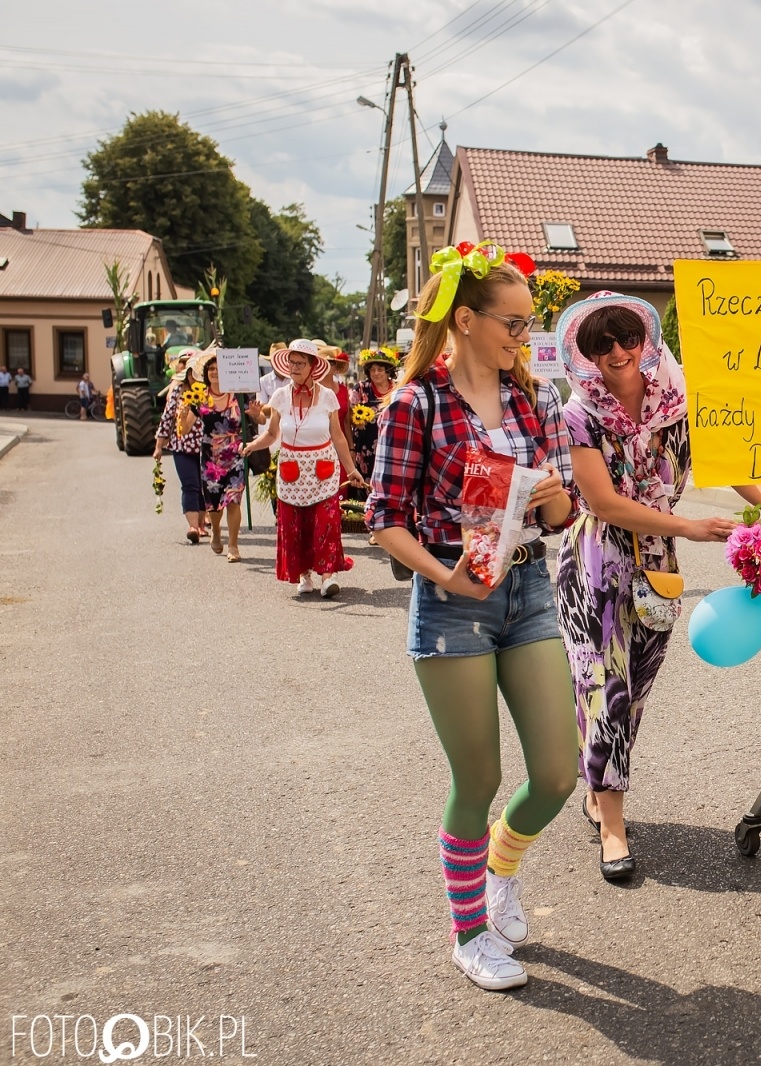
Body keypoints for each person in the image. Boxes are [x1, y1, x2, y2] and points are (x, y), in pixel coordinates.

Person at [366, 242, 578, 991]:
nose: (525, 336)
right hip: (453, 604)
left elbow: (561, 516)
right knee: (478, 776)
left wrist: (553, 490)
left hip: (527, 591)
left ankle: (500, 869)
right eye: (513, 323)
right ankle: (469, 934)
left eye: (528, 323)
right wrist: (441, 573)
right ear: (465, 318)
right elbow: (383, 517)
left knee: (557, 772)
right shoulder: (415, 401)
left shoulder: (536, 401)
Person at [555, 292, 761, 882]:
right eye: (601, 343)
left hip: (658, 563)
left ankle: (597, 783)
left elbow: (723, 459)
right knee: (605, 686)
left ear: (645, 341)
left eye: (627, 338)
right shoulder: (578, 414)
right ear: (584, 354)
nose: (617, 352)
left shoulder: (675, 404)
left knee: (635, 694)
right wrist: (691, 526)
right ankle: (612, 826)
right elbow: (603, 502)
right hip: (596, 558)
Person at [242, 339, 363, 596]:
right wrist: (253, 444)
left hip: (322, 467)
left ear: (312, 366)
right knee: (296, 524)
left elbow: (338, 436)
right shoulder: (281, 396)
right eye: (291, 362)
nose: (294, 367)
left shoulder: (327, 396)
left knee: (326, 522)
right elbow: (273, 433)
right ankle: (305, 575)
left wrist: (351, 469)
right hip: (292, 468)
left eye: (300, 363)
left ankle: (327, 576)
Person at [179, 351, 249, 562]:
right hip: (210, 457)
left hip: (235, 453)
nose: (215, 373)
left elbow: (260, 415)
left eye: (219, 370)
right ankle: (216, 530)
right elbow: (184, 429)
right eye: (211, 369)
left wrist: (256, 413)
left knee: (234, 499)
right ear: (206, 373)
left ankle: (234, 546)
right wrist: (182, 417)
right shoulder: (199, 396)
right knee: (214, 504)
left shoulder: (238, 395)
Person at [155, 355, 209, 543]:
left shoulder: (209, 392)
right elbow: (167, 418)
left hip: (206, 447)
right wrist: (159, 446)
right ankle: (193, 526)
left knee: (204, 486)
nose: (195, 377)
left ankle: (202, 525)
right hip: (182, 446)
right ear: (187, 374)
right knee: (190, 485)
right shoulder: (178, 391)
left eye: (198, 373)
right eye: (192, 373)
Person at [348, 347, 399, 508]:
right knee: (367, 484)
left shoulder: (397, 389)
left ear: (388, 371)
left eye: (380, 369)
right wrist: (356, 421)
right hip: (365, 448)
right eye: (372, 370)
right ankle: (367, 516)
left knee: (389, 482)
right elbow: (348, 415)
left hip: (391, 445)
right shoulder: (361, 389)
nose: (376, 373)